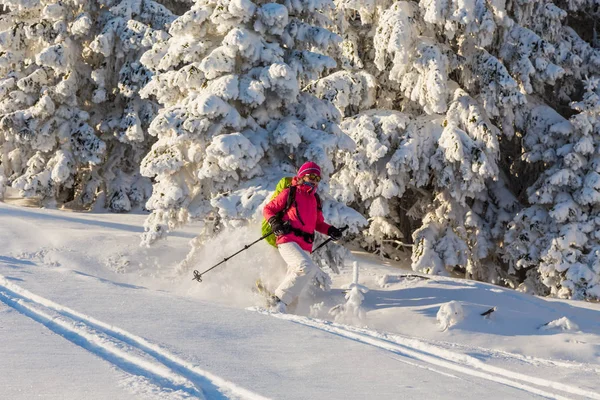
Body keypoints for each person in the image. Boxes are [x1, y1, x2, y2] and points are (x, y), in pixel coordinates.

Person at [263, 161, 344, 313]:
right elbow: (269, 209)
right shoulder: (291, 192)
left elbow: (318, 223)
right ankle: (276, 300)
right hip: (287, 239)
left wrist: (331, 230)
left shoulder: (315, 200)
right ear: (302, 176)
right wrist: (275, 223)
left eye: (317, 178)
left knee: (295, 280)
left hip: (305, 244)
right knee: (305, 267)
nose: (314, 180)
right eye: (311, 176)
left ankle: (288, 315)